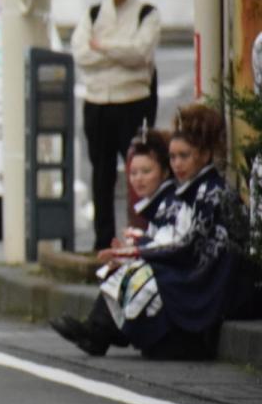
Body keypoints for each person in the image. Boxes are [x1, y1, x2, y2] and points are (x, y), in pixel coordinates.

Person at [52, 107, 250, 359]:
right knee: (135, 269)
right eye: (173, 157)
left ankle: (101, 333)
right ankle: (98, 331)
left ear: (204, 155)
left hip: (213, 279)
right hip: (202, 271)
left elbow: (188, 246)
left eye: (184, 156)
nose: (177, 164)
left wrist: (138, 250)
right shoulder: (196, 189)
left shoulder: (210, 192)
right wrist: (139, 248)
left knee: (142, 272)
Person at [72, 0, 162, 250]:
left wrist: (103, 47)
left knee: (141, 170)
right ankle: (103, 240)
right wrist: (117, 50)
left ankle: (141, 236)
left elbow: (140, 53)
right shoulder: (93, 12)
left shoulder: (146, 13)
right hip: (97, 102)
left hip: (133, 102)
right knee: (101, 173)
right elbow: (81, 53)